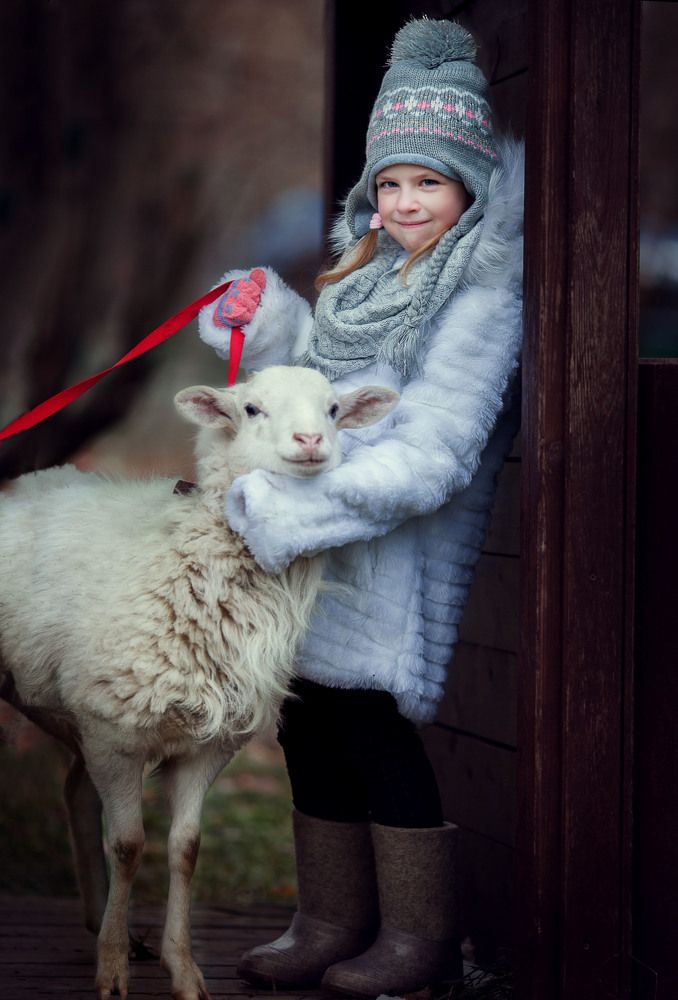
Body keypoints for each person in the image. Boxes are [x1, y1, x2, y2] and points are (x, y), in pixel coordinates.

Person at [199, 17, 523, 999]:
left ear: (466, 187)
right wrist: (267, 315)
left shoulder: (481, 298)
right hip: (317, 550)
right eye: (390, 181)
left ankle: (415, 936)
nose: (406, 199)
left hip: (388, 549)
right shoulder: (363, 274)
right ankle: (329, 918)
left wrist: (290, 507)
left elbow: (431, 457)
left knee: (373, 726)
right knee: (307, 718)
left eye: (428, 180)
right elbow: (320, 381)